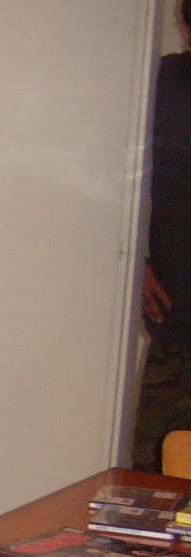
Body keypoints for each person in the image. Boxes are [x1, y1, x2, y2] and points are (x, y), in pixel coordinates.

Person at [134, 1, 191, 472]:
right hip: (178, 326)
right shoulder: (161, 83)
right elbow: (115, 176)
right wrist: (136, 262)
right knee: (154, 484)